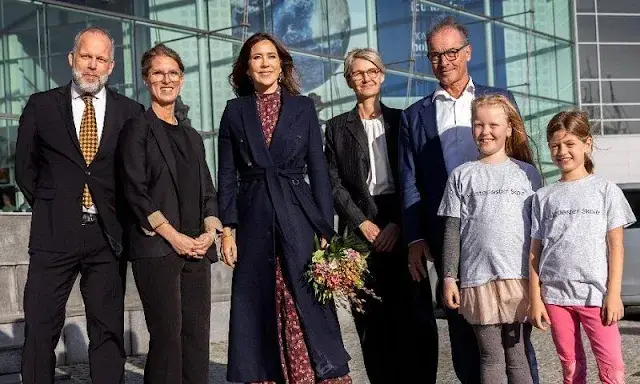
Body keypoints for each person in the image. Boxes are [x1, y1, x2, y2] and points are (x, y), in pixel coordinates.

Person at [398, 16, 539, 383]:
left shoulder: (498, 99)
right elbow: (410, 180)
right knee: (464, 333)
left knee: (516, 342)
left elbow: (524, 158)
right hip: (451, 235)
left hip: (505, 239)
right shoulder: (416, 115)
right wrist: (414, 237)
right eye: (434, 55)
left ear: (467, 52)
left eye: (451, 52)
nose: (443, 61)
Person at [217, 32, 351, 384]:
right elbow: (227, 175)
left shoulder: (303, 107)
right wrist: (228, 230)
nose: (264, 63)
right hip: (253, 214)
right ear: (247, 68)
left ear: (281, 64)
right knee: (258, 297)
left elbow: (319, 171)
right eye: (257, 58)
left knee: (304, 294)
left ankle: (315, 373)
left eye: (271, 57)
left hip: (298, 213)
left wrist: (326, 230)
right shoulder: (234, 111)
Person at [15, 26, 144, 383]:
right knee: (41, 327)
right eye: (86, 56)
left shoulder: (131, 112)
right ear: (72, 59)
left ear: (111, 66)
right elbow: (25, 169)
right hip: (54, 234)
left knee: (107, 330)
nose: (92, 65)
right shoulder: (41, 105)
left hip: (108, 238)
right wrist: (52, 205)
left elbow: (134, 173)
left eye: (100, 59)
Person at [324, 48, 437, 383]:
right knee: (373, 323)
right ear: (348, 80)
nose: (366, 77)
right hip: (360, 229)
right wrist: (362, 222)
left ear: (383, 75)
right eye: (358, 73)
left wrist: (398, 223)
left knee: (415, 317)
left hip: (401, 220)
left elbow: (415, 177)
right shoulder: (335, 128)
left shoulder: (403, 120)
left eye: (372, 71)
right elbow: (333, 183)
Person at [116, 43, 220, 384]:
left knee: (197, 338)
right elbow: (134, 190)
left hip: (197, 251)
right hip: (158, 249)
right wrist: (174, 237)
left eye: (173, 73)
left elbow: (208, 190)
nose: (166, 79)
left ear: (182, 79)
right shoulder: (137, 128)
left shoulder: (192, 136)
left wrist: (209, 231)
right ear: (147, 80)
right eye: (158, 73)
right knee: (168, 338)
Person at [439, 94, 540, 383]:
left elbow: (537, 232)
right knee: (490, 356)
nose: (486, 132)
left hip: (519, 280)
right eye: (478, 125)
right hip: (477, 281)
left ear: (509, 128)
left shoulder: (528, 174)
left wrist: (539, 280)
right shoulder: (461, 175)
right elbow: (452, 230)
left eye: (494, 124)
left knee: (518, 355)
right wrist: (448, 277)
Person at [530, 110, 635, 384]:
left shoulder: (606, 191)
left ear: (587, 144)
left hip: (596, 297)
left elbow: (616, 248)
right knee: (571, 369)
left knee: (612, 369)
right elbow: (534, 252)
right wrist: (536, 298)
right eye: (555, 145)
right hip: (555, 298)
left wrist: (613, 294)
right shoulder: (543, 197)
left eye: (569, 144)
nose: (561, 151)